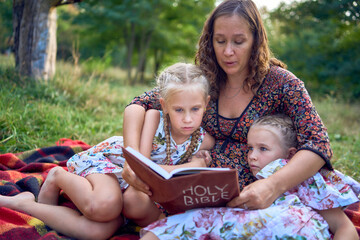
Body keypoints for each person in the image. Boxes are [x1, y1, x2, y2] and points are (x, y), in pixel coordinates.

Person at [122, 0, 333, 212]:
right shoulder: (204, 77)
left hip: (251, 199)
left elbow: (318, 143)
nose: (228, 52)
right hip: (185, 190)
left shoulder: (282, 84)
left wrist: (273, 185)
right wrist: (133, 161)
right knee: (115, 210)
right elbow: (139, 103)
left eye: (239, 42)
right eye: (220, 41)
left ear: (255, 41)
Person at [0, 63, 215, 240]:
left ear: (205, 104)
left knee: (96, 232)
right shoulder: (155, 118)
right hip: (113, 165)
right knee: (104, 206)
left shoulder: (204, 140)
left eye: (195, 109)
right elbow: (144, 168)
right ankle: (58, 176)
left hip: (135, 192)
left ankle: (23, 204)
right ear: (164, 105)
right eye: (179, 110)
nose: (188, 118)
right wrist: (192, 166)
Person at [139, 114, 360, 240]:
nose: (252, 156)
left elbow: (344, 228)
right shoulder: (255, 183)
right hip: (254, 228)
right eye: (250, 148)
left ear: (290, 155)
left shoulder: (300, 176)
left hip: (292, 227)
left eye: (263, 149)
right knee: (199, 218)